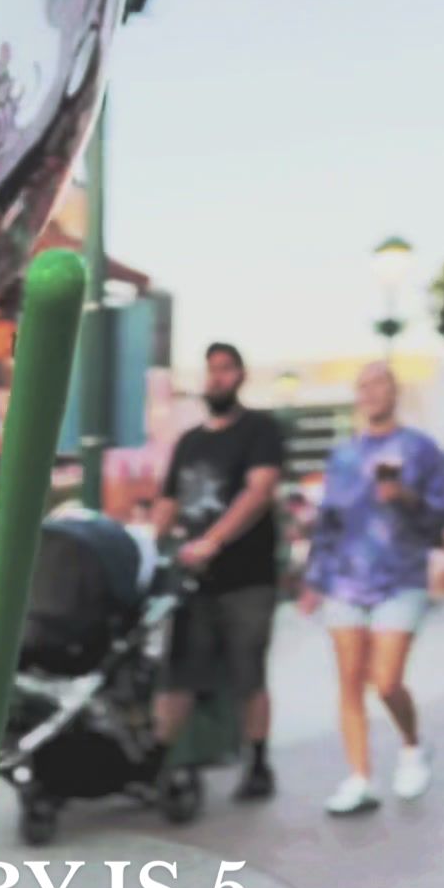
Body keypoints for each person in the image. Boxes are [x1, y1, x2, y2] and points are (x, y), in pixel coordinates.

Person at [301, 363, 444, 815]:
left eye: (378, 384)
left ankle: (412, 744)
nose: (369, 393)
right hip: (344, 578)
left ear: (395, 392)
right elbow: (328, 522)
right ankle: (359, 778)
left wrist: (405, 496)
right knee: (350, 681)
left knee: (386, 680)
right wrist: (314, 579)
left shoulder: (420, 448)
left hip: (400, 577)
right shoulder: (343, 455)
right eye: (362, 386)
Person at [150, 342, 284, 802]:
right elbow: (168, 502)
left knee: (248, 674)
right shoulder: (189, 442)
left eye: (225, 369)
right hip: (193, 581)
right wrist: (148, 545)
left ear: (241, 375)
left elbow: (259, 491)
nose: (216, 378)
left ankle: (258, 763)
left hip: (247, 578)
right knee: (180, 673)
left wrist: (214, 540)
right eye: (210, 370)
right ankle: (157, 764)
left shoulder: (260, 430)